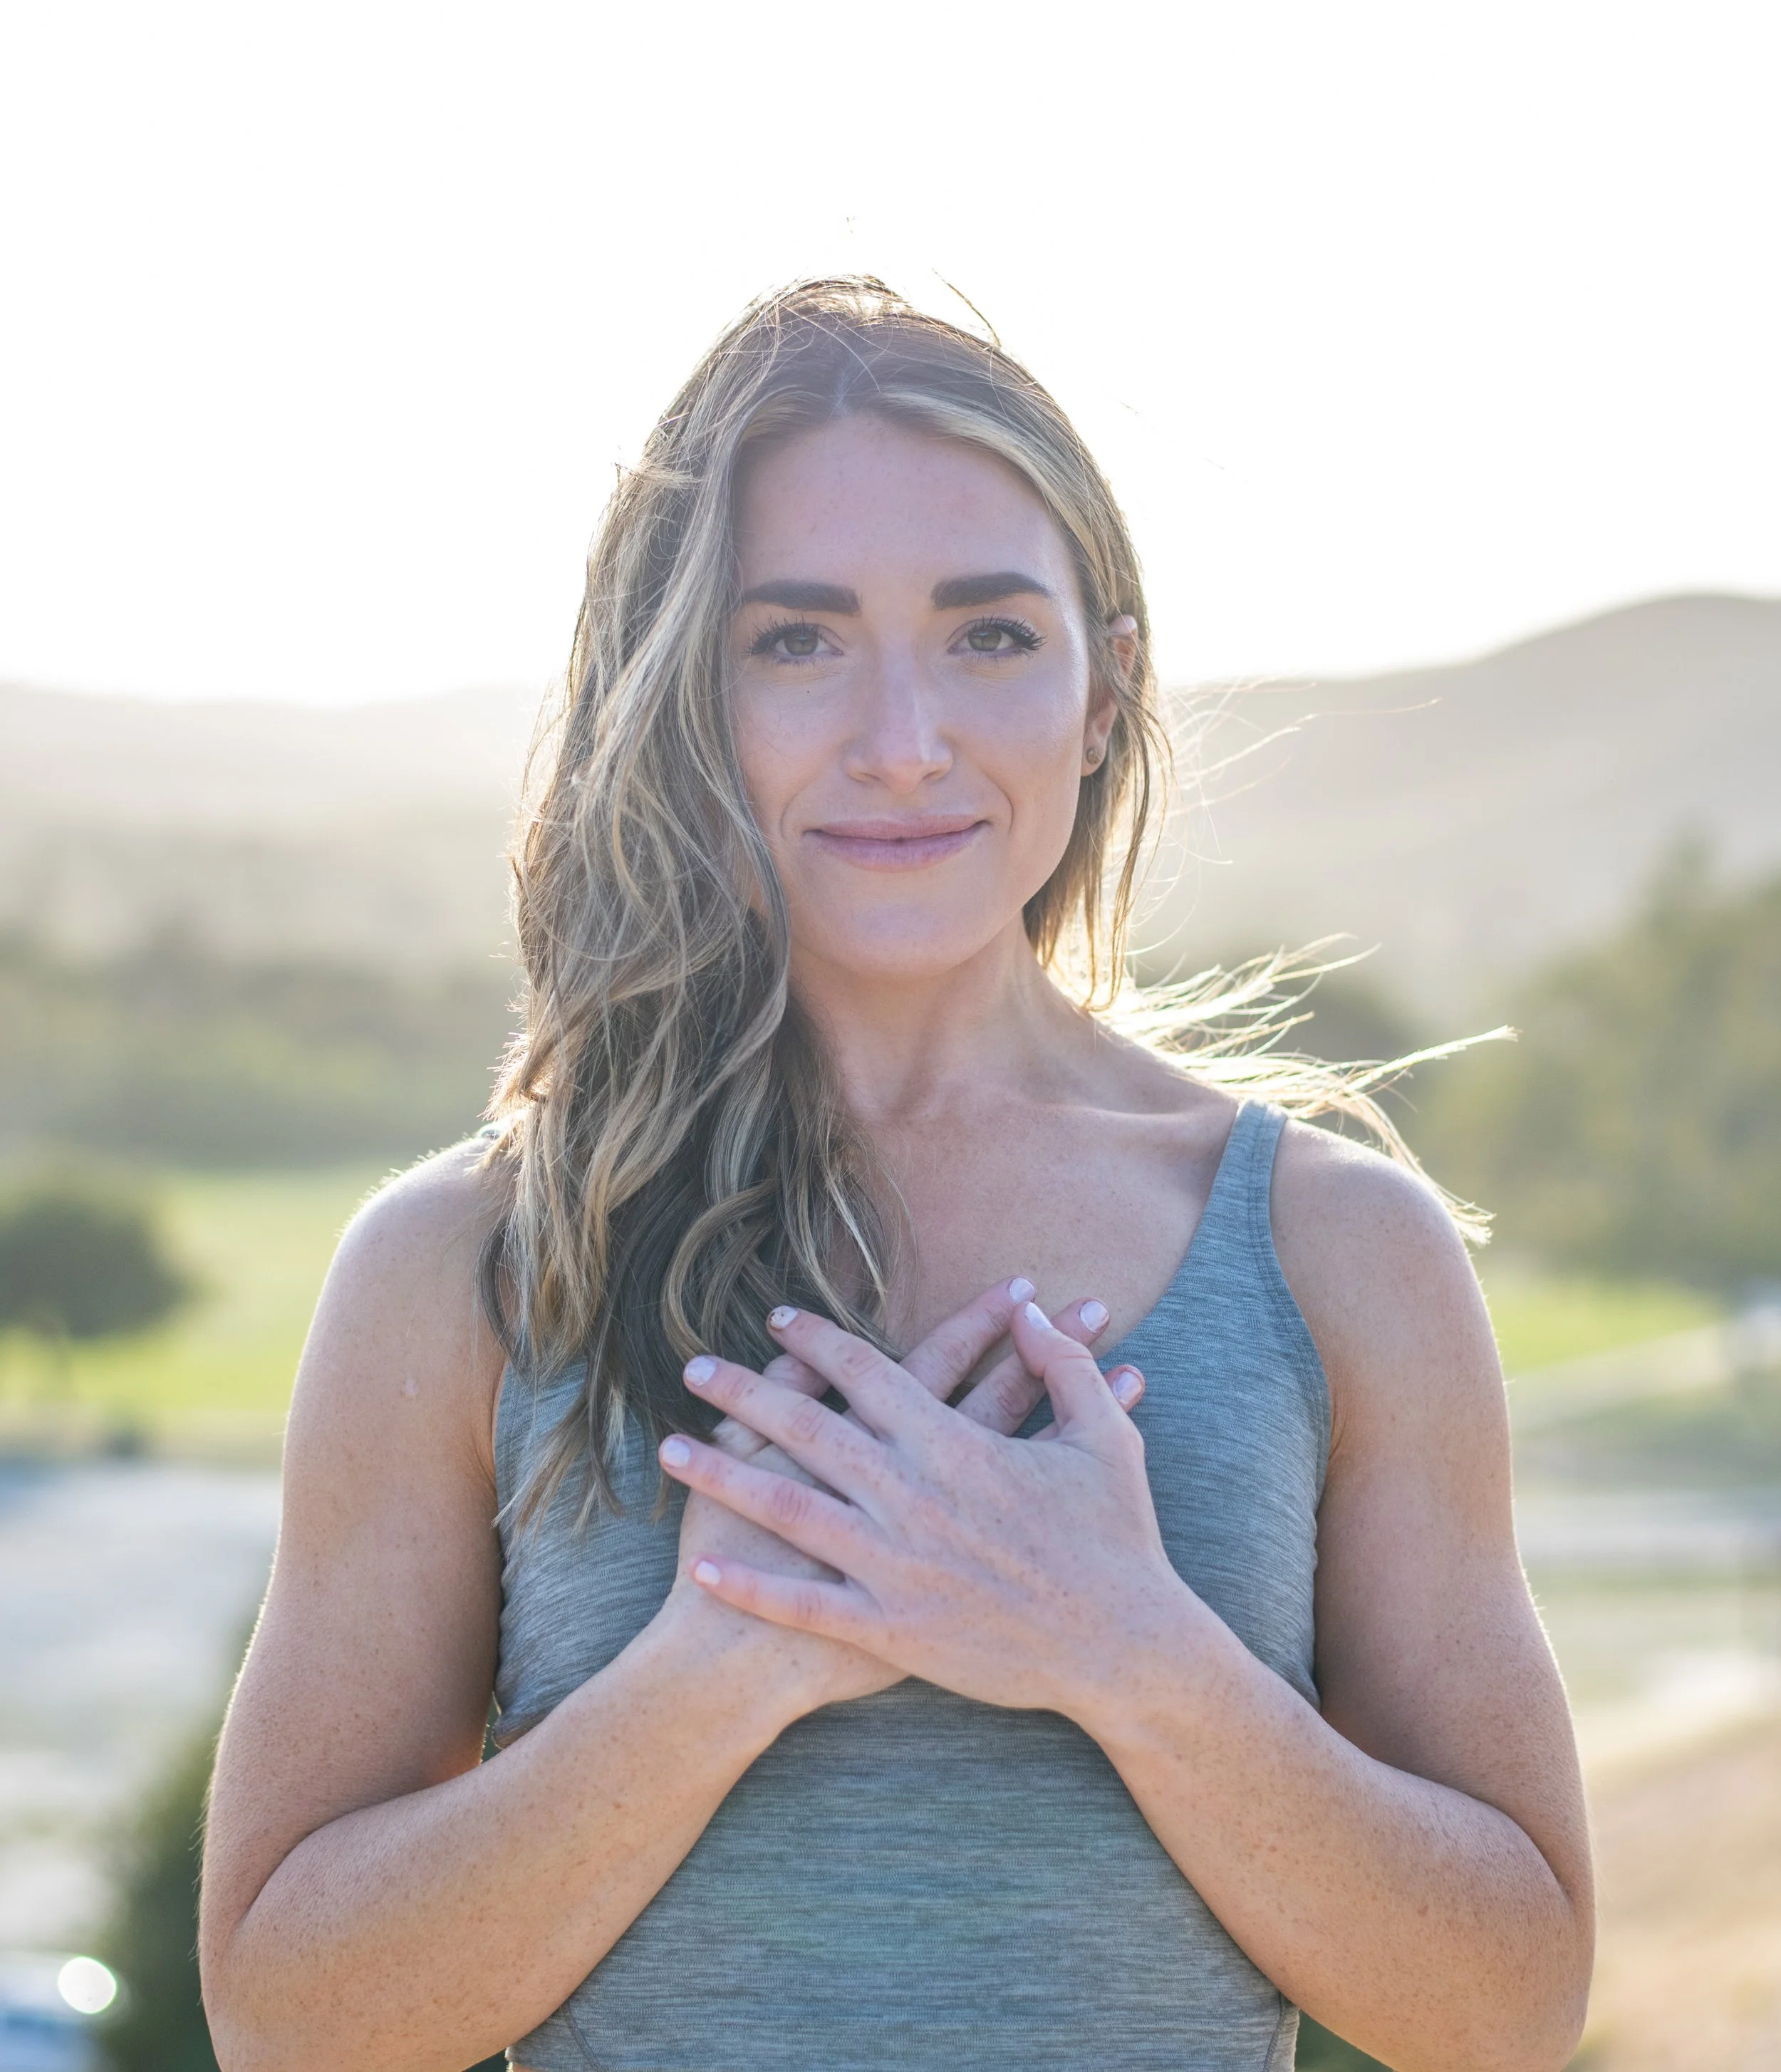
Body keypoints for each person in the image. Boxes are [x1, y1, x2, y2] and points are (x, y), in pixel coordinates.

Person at [199, 279, 1592, 2072]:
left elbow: (1510, 2007)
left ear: (1104, 692)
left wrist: (1124, 1645)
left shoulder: (1337, 1253)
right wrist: (719, 1666)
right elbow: (289, 2023)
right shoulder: (472, 1263)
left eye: (989, 635)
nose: (903, 736)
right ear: (684, 697)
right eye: (796, 639)